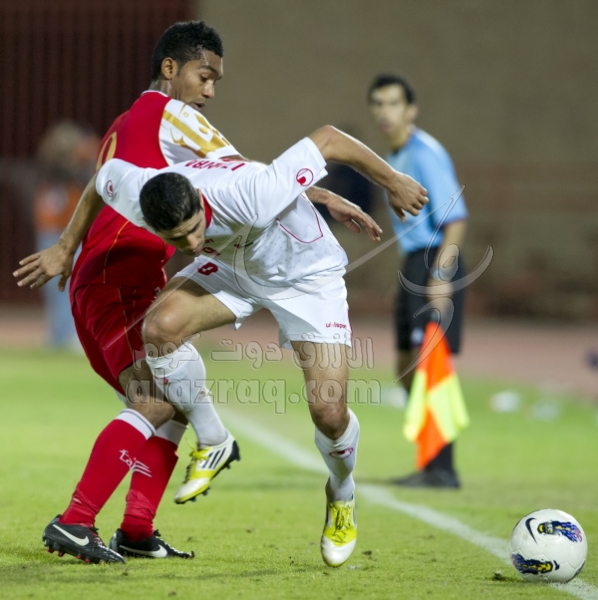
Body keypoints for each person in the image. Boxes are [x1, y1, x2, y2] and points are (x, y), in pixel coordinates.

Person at [14, 21, 392, 565]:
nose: (210, 91)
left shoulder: (130, 124)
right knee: (155, 394)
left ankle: (140, 527)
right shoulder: (172, 115)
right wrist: (66, 247)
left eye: (216, 80)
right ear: (170, 69)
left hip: (280, 273)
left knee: (186, 396)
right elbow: (229, 172)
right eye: (204, 76)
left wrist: (316, 193)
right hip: (123, 275)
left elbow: (239, 176)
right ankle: (78, 519)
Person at [85, 124, 428, 567]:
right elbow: (103, 175)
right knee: (160, 328)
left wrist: (392, 181)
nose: (191, 243)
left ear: (199, 202)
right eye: (176, 240)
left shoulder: (249, 194)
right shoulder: (140, 192)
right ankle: (214, 438)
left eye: (194, 229)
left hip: (305, 276)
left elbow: (328, 139)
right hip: (233, 270)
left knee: (329, 413)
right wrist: (65, 246)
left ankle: (341, 493)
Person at [368, 74, 468, 488]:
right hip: (415, 263)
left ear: (411, 110)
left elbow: (456, 221)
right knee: (406, 366)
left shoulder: (425, 153)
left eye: (393, 103)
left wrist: (439, 277)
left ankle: (442, 469)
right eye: (378, 103)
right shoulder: (393, 156)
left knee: (430, 364)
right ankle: (431, 459)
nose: (385, 111)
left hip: (435, 261)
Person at [34, 122, 99, 349]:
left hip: (68, 234)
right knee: (54, 285)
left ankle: (71, 334)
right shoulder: (52, 167)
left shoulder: (84, 171)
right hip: (50, 231)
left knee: (70, 284)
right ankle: (58, 334)